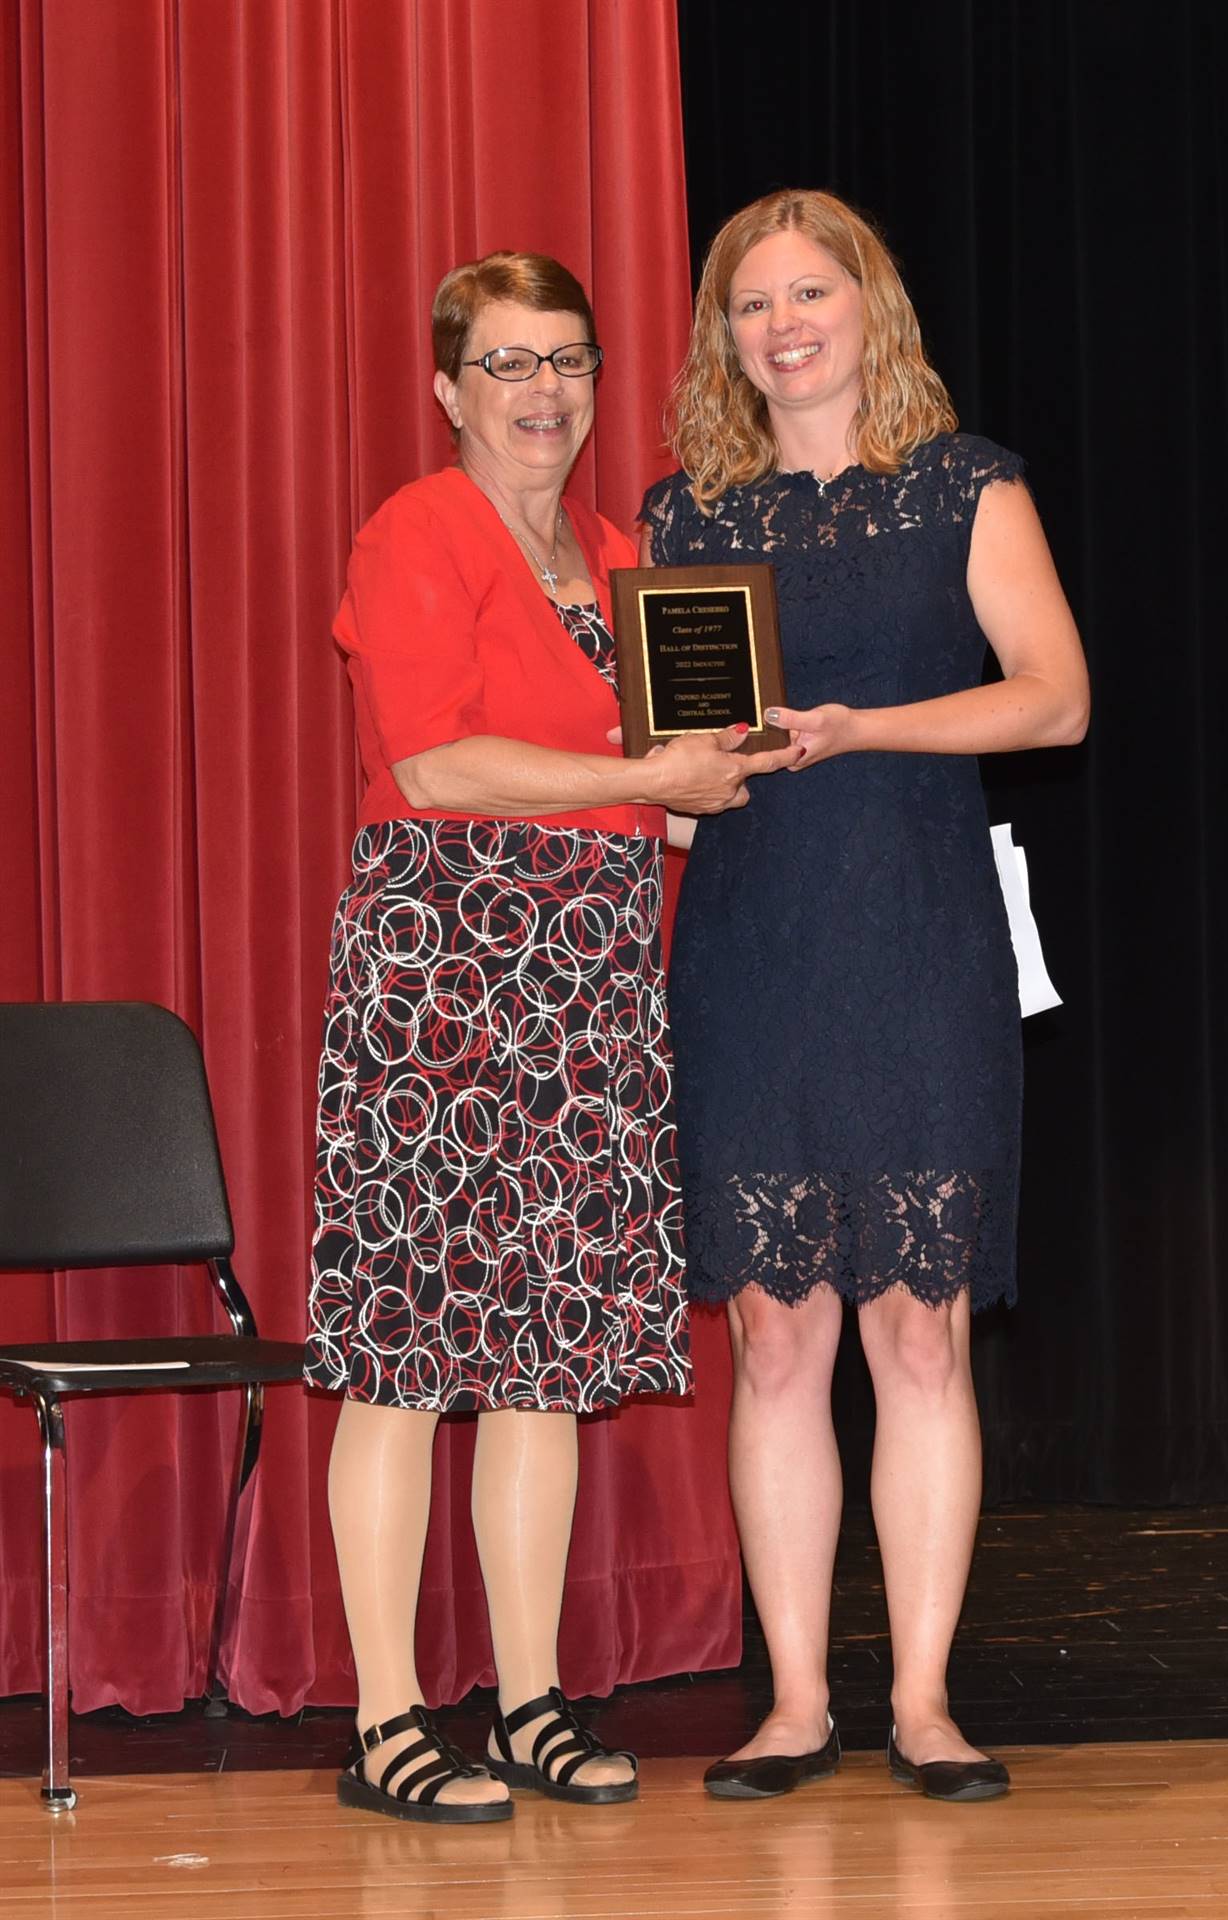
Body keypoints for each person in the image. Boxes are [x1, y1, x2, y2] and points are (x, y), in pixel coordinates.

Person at [304, 249, 798, 1825]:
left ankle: (525, 1703)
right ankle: (387, 1717)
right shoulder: (416, 528)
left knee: (544, 1356)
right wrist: (653, 788)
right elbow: (436, 766)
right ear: (450, 390)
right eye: (508, 364)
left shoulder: (623, 553)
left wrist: (718, 782)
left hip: (585, 973)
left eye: (568, 360)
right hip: (443, 960)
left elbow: (643, 786)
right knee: (400, 1354)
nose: (545, 392)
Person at [640, 190, 1089, 1803]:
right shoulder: (681, 516)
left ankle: (920, 1703)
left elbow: (1056, 697)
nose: (784, 323)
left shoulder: (967, 483)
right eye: (753, 303)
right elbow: (684, 795)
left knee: (918, 1334)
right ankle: (790, 1706)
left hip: (918, 942)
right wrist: (686, 777)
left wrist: (858, 726)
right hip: (753, 953)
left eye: (811, 291)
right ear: (726, 338)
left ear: (867, 306)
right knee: (774, 1343)